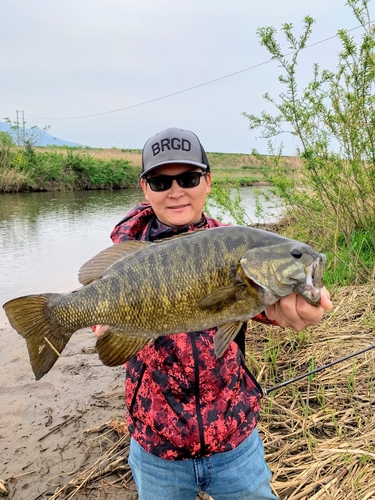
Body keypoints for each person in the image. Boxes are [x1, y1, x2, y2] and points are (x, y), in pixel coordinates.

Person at [95, 127, 332, 500]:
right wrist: (104, 322)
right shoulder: (129, 255)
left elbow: (264, 309)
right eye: (160, 181)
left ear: (207, 181)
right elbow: (109, 337)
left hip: (235, 443)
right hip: (157, 450)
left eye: (188, 178)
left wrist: (295, 310)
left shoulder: (235, 245)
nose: (175, 191)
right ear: (145, 189)